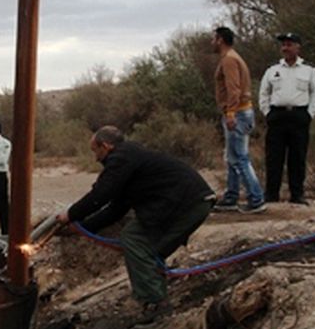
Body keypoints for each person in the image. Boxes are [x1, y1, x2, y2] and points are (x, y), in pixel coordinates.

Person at [56, 126, 213, 312]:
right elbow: (116, 208)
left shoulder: (121, 158)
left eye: (95, 151)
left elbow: (101, 195)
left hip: (185, 204)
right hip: (196, 202)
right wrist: (83, 227)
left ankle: (155, 302)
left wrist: (70, 215)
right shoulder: (131, 158)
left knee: (133, 238)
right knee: (151, 251)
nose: (95, 158)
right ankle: (157, 303)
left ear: (106, 146)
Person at [259, 33, 315, 205]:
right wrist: (268, 113)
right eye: (283, 45)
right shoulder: (272, 70)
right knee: (274, 158)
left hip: (299, 116)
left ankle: (297, 195)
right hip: (277, 117)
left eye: (289, 45)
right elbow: (264, 93)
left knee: (297, 157)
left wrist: (310, 114)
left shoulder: (309, 70)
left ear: (298, 47)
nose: (285, 48)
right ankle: (271, 195)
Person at [211, 26, 265, 213]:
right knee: (232, 157)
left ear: (220, 40)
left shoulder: (229, 60)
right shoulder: (232, 58)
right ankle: (232, 196)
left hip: (238, 113)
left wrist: (231, 113)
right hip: (240, 112)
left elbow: (234, 89)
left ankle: (256, 198)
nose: (212, 42)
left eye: (214, 39)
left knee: (240, 157)